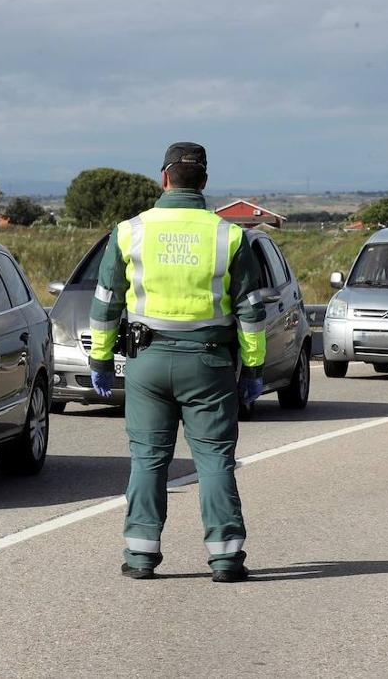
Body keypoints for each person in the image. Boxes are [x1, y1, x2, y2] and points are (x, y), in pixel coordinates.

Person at [88, 142, 267, 583]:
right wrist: (255, 368)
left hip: (147, 359)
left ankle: (140, 555)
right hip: (208, 364)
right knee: (214, 461)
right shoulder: (229, 235)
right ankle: (225, 558)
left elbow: (106, 302)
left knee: (148, 459)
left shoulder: (129, 231)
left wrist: (100, 359)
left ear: (163, 178)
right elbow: (251, 309)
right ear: (203, 181)